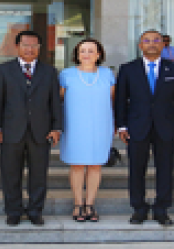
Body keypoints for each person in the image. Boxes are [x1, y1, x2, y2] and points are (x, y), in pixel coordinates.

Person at [0, 30, 63, 227]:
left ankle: (35, 211)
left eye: (34, 46)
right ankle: (13, 211)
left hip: (41, 131)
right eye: (25, 45)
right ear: (17, 47)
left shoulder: (49, 72)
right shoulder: (4, 70)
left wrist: (57, 128)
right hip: (11, 130)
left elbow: (55, 102)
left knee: (38, 175)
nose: (29, 49)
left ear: (40, 48)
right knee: (10, 174)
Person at [116, 30, 174, 227]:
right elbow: (121, 100)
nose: (152, 44)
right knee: (136, 169)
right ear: (140, 45)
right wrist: (121, 125)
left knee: (165, 169)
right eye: (147, 41)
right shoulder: (128, 69)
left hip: (166, 127)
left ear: (164, 44)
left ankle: (161, 209)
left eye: (156, 40)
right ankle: (139, 208)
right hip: (137, 126)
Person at [58, 38, 115, 223]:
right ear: (76, 54)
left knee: (95, 165)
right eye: (83, 50)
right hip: (74, 126)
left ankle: (90, 204)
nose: (87, 54)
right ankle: (77, 203)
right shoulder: (66, 75)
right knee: (76, 165)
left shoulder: (108, 74)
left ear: (99, 54)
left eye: (91, 50)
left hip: (101, 125)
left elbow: (113, 101)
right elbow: (59, 101)